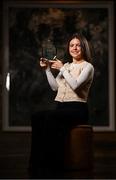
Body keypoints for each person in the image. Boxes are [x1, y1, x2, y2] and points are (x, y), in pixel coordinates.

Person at [30, 33, 94, 178]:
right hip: (62, 108)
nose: (75, 48)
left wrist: (62, 69)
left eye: (78, 45)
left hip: (78, 109)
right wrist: (47, 69)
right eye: (72, 45)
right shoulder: (66, 65)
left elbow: (76, 85)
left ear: (84, 48)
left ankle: (52, 166)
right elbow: (55, 87)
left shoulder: (87, 67)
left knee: (51, 118)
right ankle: (36, 163)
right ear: (68, 48)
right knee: (37, 117)